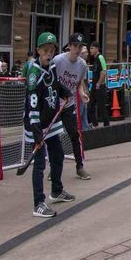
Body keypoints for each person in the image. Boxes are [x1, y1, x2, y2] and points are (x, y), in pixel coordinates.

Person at [23, 32, 75, 218]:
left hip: (51, 121)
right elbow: (33, 105)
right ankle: (38, 203)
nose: (49, 54)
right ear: (38, 50)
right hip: (36, 124)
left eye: (51, 50)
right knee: (39, 164)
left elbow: (55, 84)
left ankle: (57, 190)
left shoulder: (51, 66)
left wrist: (65, 91)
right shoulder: (34, 74)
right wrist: (36, 131)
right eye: (45, 50)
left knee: (58, 155)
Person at [51, 34, 92, 180]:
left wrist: (81, 94)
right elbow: (51, 80)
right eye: (75, 46)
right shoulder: (58, 60)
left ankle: (79, 167)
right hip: (55, 105)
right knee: (53, 138)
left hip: (69, 105)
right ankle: (53, 168)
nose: (77, 49)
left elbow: (79, 82)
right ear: (69, 46)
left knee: (74, 134)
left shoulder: (82, 65)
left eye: (80, 46)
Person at [88, 44, 109, 127]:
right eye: (90, 48)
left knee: (101, 107)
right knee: (90, 107)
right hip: (94, 86)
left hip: (99, 87)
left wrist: (98, 84)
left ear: (97, 48)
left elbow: (104, 71)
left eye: (92, 48)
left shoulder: (100, 57)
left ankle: (106, 125)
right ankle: (95, 125)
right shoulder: (95, 59)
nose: (90, 50)